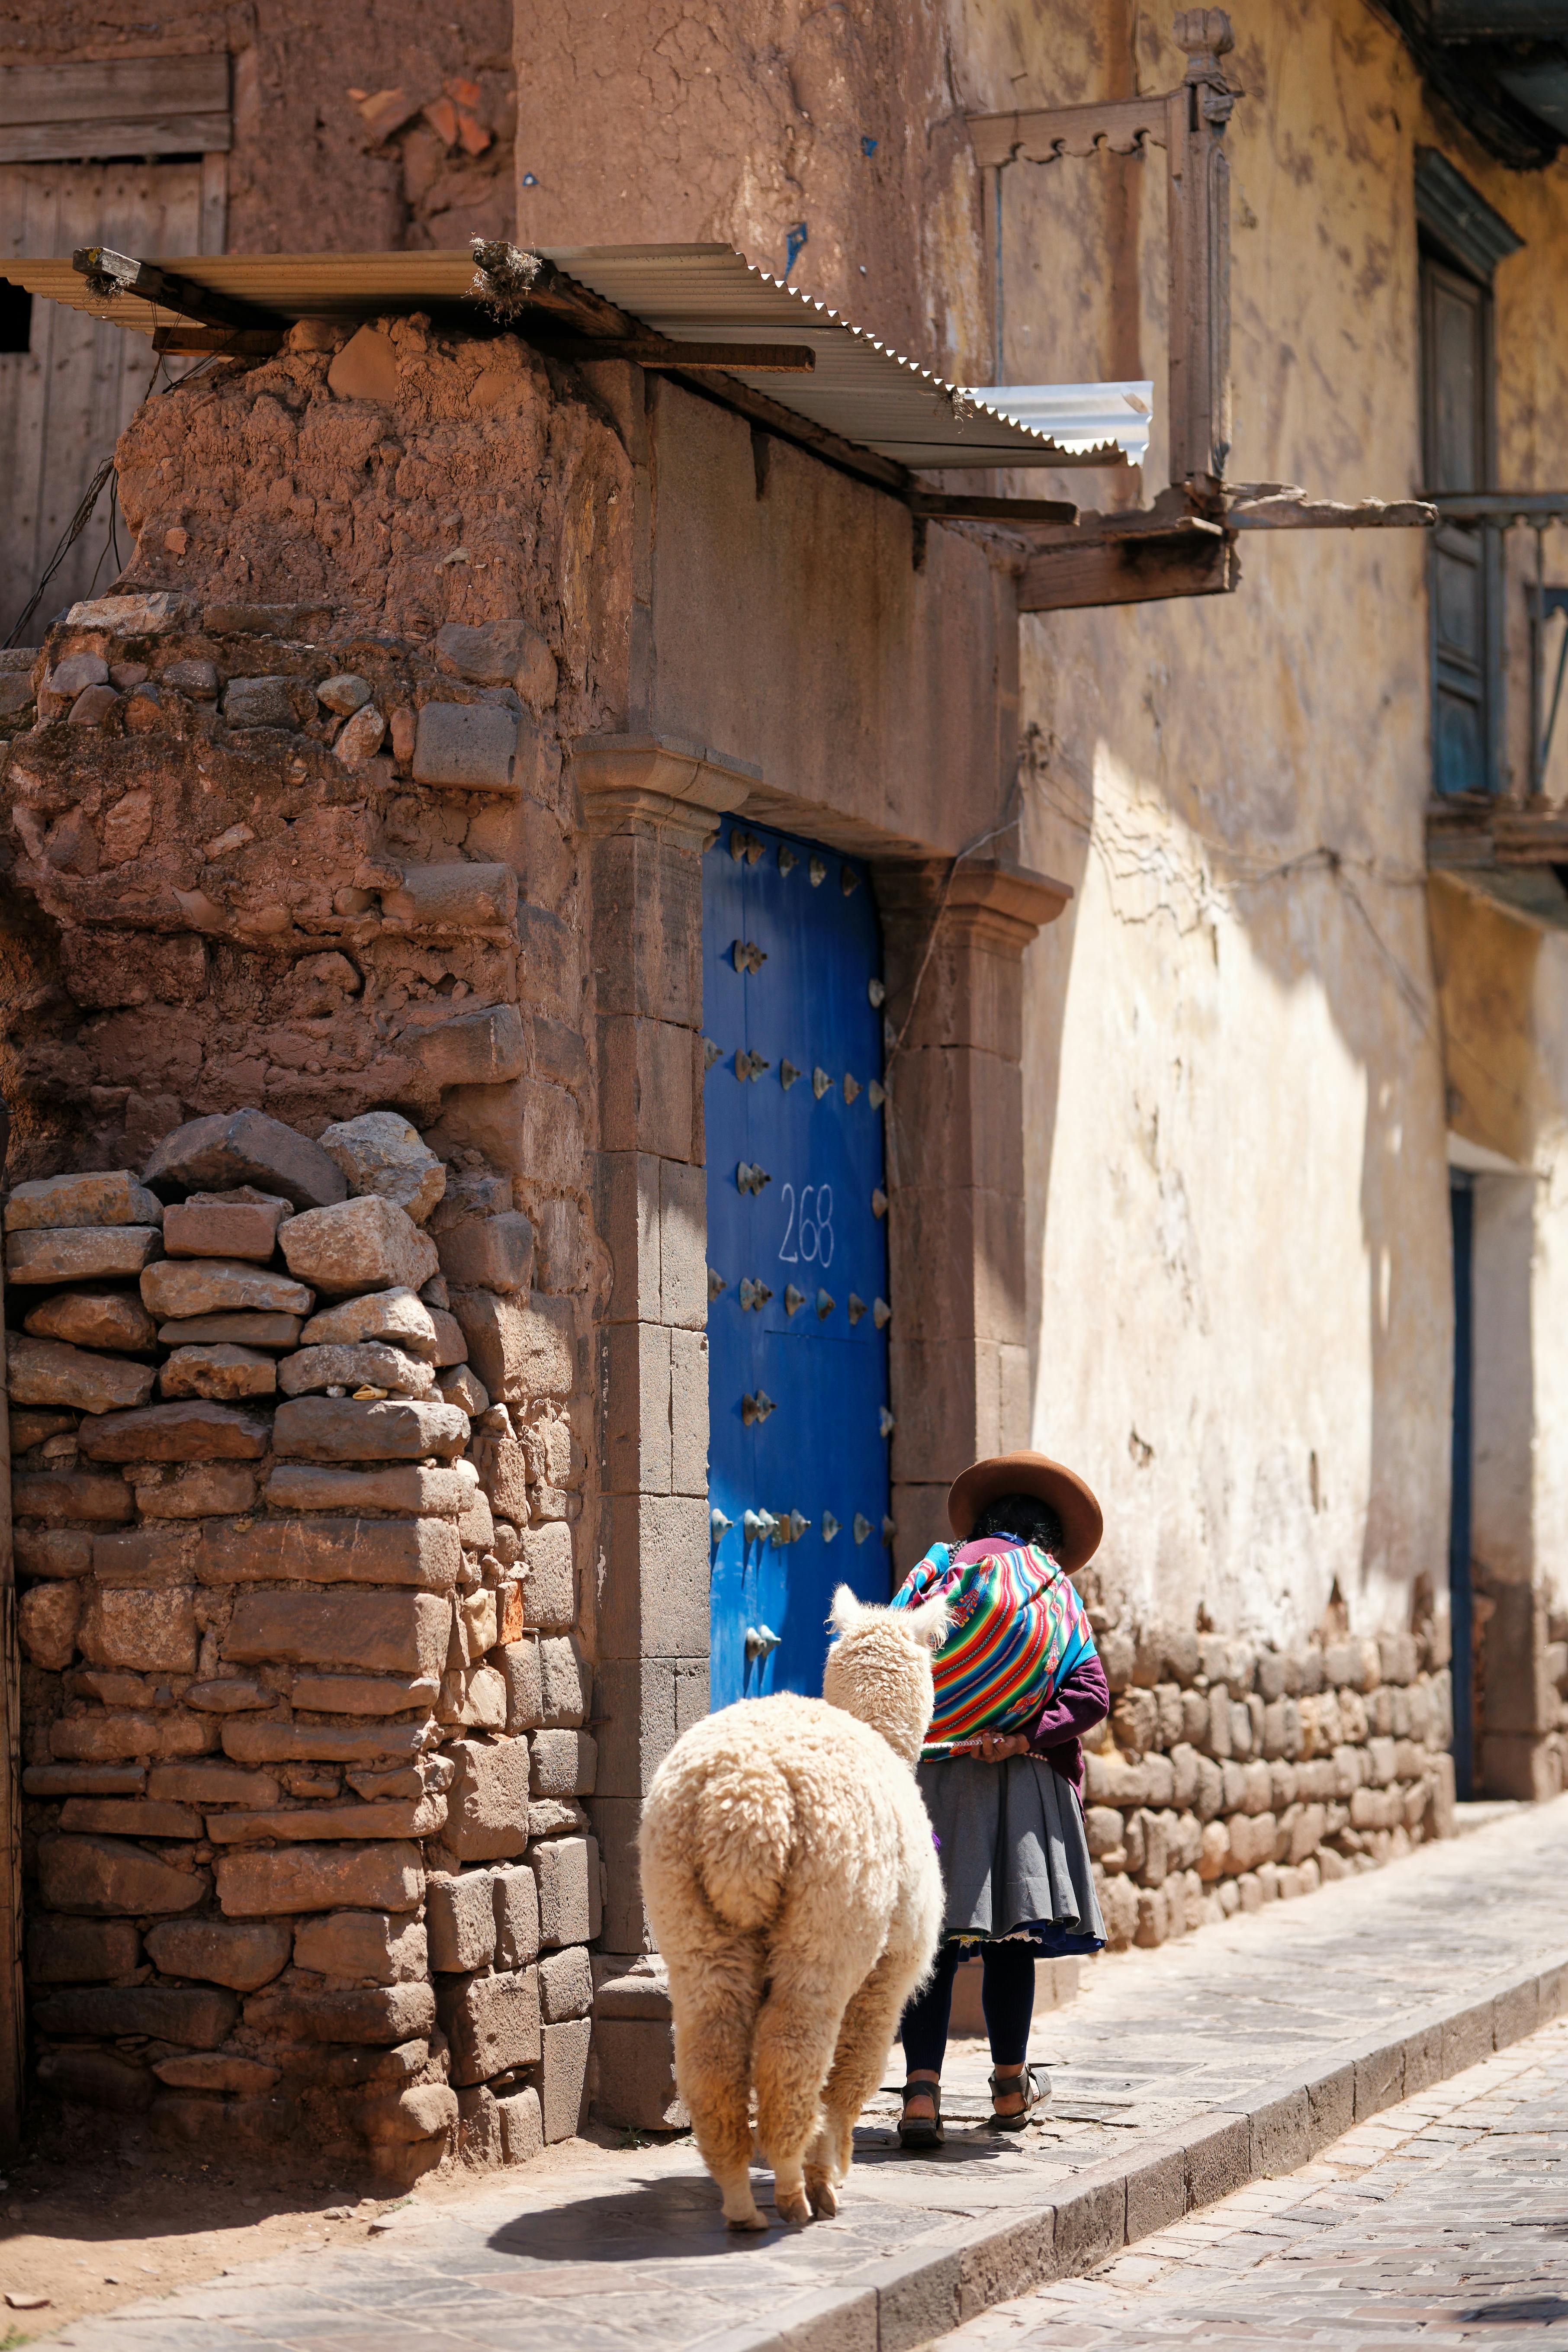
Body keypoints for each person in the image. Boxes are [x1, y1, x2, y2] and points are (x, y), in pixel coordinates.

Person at [888, 1450, 1109, 2147]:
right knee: (1010, 1941)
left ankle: (920, 2097)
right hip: (1020, 1786)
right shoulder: (1050, 1585)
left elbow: (891, 1651)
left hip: (931, 1778)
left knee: (932, 1944)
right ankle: (1011, 2091)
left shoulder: (936, 1571)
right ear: (1047, 1543)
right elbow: (1092, 1692)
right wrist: (1021, 1733)